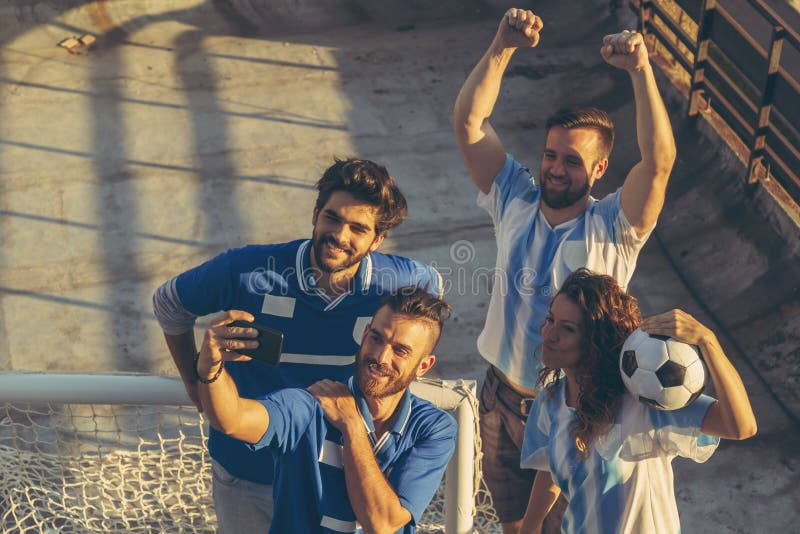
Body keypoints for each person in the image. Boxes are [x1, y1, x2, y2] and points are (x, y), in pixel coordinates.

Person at [451, 7, 677, 531]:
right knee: (513, 524)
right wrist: (502, 46)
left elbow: (659, 162)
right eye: (551, 154)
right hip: (501, 395)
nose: (555, 167)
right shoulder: (513, 197)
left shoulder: (615, 226)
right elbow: (468, 123)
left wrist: (641, 71)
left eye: (572, 160)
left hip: (576, 409)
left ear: (599, 169)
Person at [152, 158, 442, 532]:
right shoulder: (249, 270)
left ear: (378, 239)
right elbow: (169, 304)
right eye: (332, 218)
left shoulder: (399, 283)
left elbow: (428, 311)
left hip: (336, 478)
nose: (339, 235)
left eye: (358, 228)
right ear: (316, 213)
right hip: (249, 474)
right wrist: (196, 380)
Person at [195, 287, 457, 533]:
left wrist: (351, 424)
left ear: (424, 366)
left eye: (400, 350)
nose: (380, 357)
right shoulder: (311, 405)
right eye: (376, 338)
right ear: (365, 334)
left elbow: (382, 523)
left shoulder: (434, 428)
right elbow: (232, 419)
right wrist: (209, 368)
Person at [518, 269, 757, 533]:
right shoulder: (550, 402)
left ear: (594, 342)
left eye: (568, 329)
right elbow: (549, 469)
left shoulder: (645, 402)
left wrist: (708, 342)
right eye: (551, 320)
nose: (549, 335)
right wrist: (527, 529)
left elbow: (741, 426)